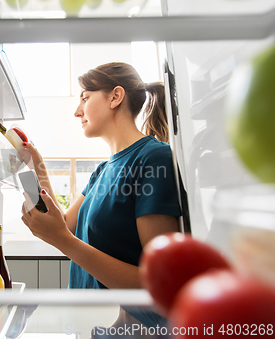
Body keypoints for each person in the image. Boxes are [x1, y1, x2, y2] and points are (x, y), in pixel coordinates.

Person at [19, 62, 182, 333]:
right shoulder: (103, 170)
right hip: (91, 326)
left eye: (85, 97)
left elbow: (159, 284)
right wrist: (35, 166)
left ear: (115, 97)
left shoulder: (154, 158)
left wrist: (62, 241)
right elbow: (66, 224)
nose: (77, 111)